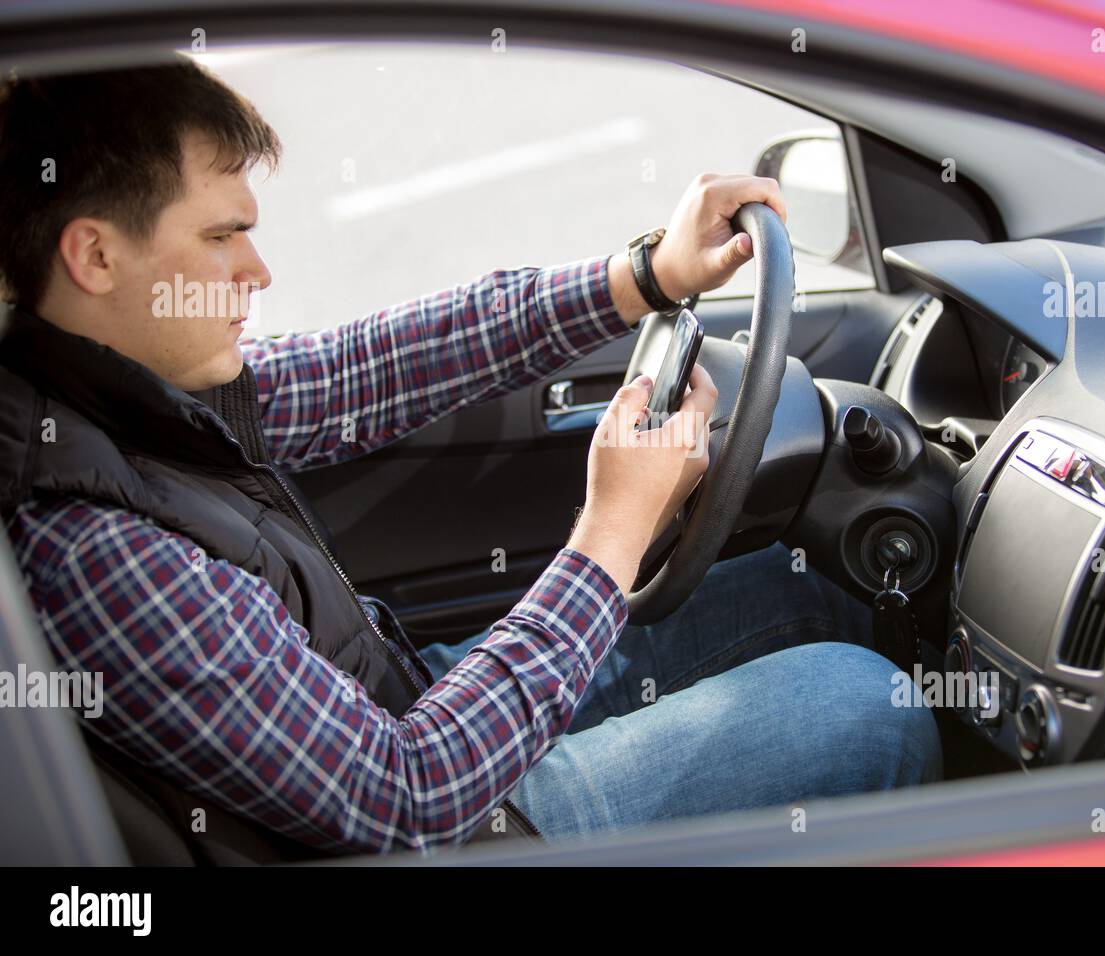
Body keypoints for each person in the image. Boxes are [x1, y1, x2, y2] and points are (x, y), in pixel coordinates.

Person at [0, 53, 940, 855]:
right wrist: (613, 532)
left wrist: (643, 275)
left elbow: (377, 366)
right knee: (864, 705)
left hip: (412, 705)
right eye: (224, 235)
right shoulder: (91, 544)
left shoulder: (129, 399)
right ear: (96, 257)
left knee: (807, 581)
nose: (260, 269)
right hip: (453, 825)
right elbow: (407, 797)